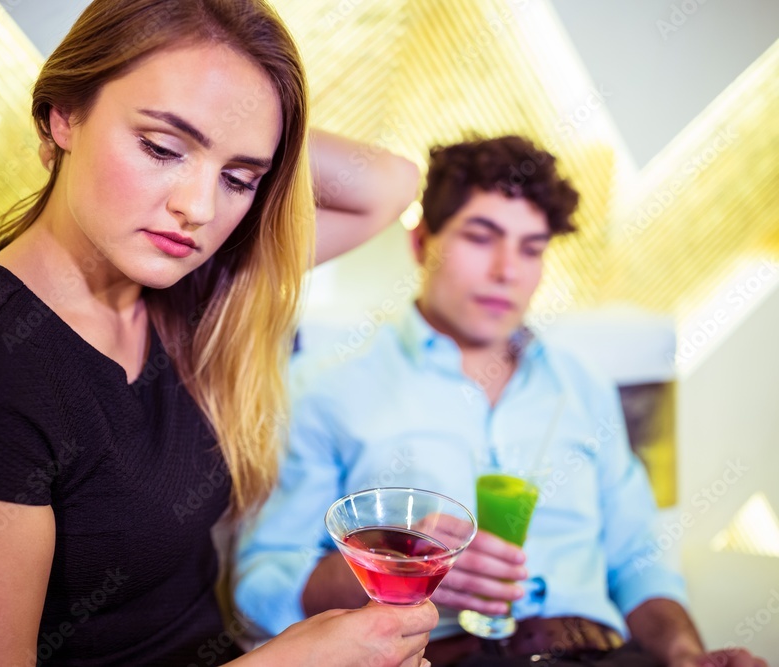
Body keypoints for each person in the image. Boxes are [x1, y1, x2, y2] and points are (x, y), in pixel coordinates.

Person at [0, 1, 438, 665]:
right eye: (163, 148)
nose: (196, 209)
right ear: (63, 114)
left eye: (238, 178)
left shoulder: (183, 290)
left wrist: (244, 112)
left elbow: (390, 184)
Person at [233, 136, 768, 667]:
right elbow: (261, 586)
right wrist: (394, 571)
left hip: (603, 654)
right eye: (482, 237)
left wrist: (686, 653)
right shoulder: (326, 385)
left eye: (531, 248)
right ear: (421, 243)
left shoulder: (583, 387)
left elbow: (640, 561)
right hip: (437, 654)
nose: (507, 271)